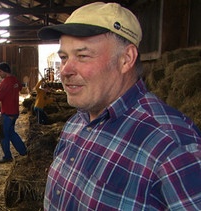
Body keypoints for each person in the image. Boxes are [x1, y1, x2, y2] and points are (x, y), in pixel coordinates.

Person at [37, 2, 201, 210]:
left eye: (83, 56)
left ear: (126, 59)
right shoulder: (75, 124)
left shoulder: (172, 147)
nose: (65, 71)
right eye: (64, 57)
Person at [0, 62, 27, 163]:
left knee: (3, 135)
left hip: (7, 112)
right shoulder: (15, 80)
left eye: (0, 71)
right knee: (11, 133)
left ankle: (7, 157)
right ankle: (23, 151)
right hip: (14, 112)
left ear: (5, 71)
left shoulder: (5, 83)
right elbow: (19, 88)